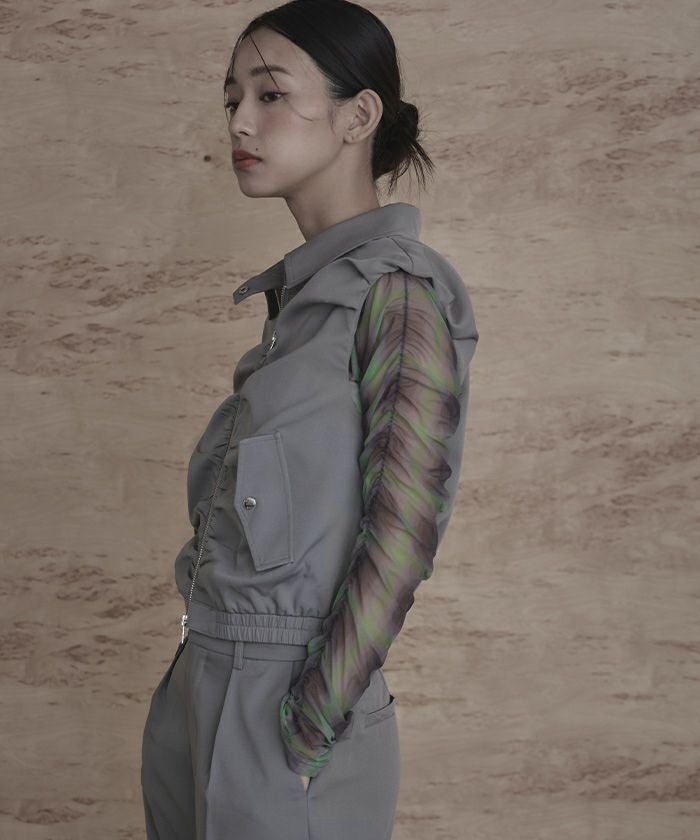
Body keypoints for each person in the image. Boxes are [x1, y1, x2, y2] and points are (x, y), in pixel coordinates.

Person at [140, 1, 479, 838]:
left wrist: (309, 724)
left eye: (270, 95)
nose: (239, 121)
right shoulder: (301, 302)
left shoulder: (395, 295)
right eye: (232, 99)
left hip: (287, 712)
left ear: (357, 116)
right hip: (200, 687)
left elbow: (403, 530)